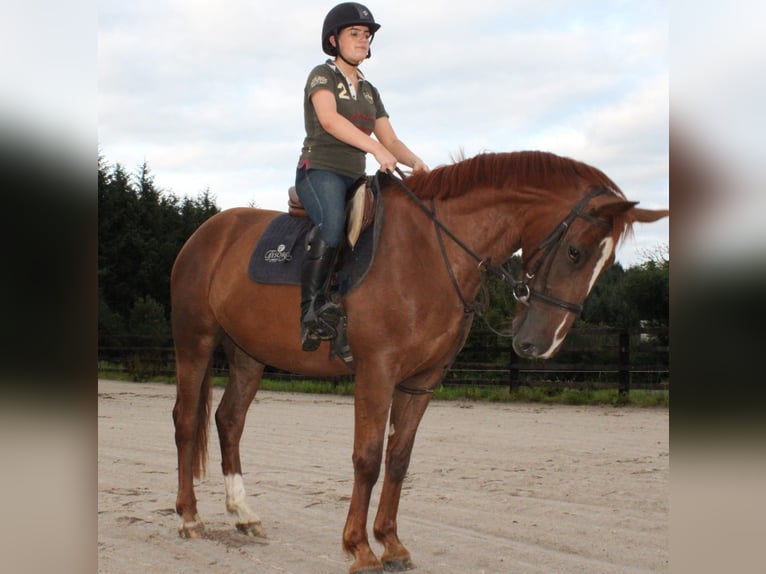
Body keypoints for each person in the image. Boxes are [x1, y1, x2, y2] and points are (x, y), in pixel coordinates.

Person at [295, 2, 429, 352]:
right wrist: (373, 150)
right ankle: (309, 314)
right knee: (334, 224)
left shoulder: (370, 91)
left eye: (366, 35)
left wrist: (417, 164)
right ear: (333, 39)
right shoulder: (321, 75)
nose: (363, 40)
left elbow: (391, 141)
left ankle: (346, 315)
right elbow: (329, 120)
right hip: (319, 170)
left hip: (355, 178)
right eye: (354, 34)